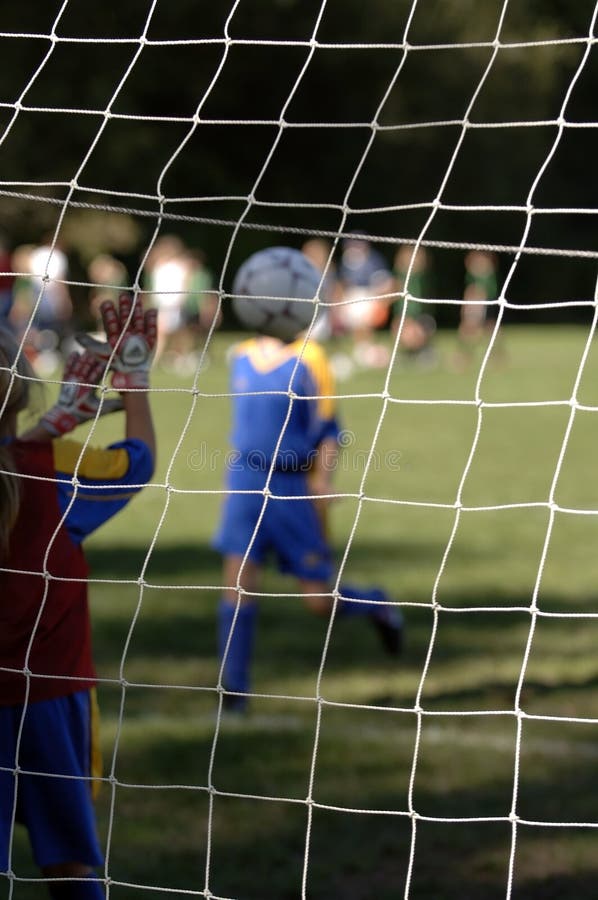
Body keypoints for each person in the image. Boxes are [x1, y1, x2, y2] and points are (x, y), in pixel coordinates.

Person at [0, 294, 157, 898]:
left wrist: (50, 426)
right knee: (69, 867)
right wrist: (134, 379)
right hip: (51, 698)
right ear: (19, 396)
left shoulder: (41, 457)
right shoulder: (53, 469)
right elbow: (136, 463)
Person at [213, 260, 404, 714]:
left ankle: (375, 604)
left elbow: (329, 431)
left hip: (293, 487)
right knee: (237, 586)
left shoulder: (312, 358)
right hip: (244, 481)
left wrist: (322, 480)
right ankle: (233, 695)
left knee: (318, 601)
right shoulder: (239, 355)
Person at [336, 235, 394, 368]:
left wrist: (381, 299)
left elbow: (383, 281)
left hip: (369, 295)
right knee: (355, 325)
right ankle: (361, 351)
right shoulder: (347, 261)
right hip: (351, 295)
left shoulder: (374, 260)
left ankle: (368, 352)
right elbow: (343, 282)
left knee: (365, 324)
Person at [391, 244, 437, 366]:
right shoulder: (399, 277)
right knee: (401, 330)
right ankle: (412, 353)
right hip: (404, 316)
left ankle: (424, 350)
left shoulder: (420, 278)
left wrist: (411, 319)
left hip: (420, 317)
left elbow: (417, 306)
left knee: (411, 332)